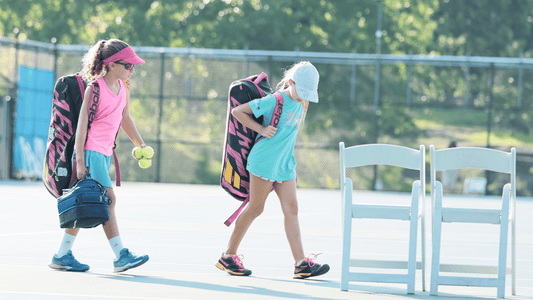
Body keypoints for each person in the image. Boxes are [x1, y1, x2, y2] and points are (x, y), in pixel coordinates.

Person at [216, 61, 330, 279]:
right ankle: (228, 256)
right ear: (290, 82)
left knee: (292, 210)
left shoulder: (303, 103)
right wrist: (261, 128)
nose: (303, 96)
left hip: (285, 164)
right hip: (264, 161)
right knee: (256, 208)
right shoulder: (275, 100)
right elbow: (238, 112)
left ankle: (301, 264)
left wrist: (287, 163)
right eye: (301, 91)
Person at [49, 39, 150, 272]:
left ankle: (62, 254)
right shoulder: (95, 88)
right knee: (108, 201)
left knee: (88, 201)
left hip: (105, 153)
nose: (131, 69)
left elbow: (125, 118)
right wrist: (81, 162)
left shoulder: (124, 87)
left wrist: (140, 144)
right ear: (112, 64)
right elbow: (82, 126)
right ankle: (121, 255)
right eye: (128, 65)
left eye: (133, 66)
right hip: (91, 151)